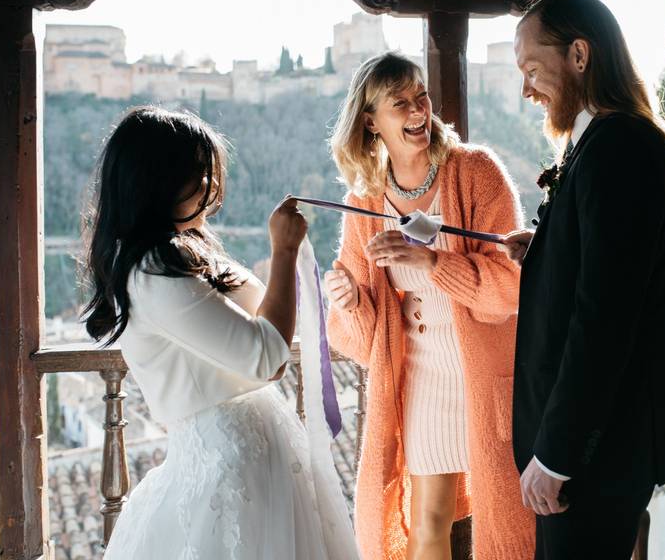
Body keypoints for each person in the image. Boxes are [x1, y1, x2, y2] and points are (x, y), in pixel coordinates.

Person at [84, 107, 358, 559]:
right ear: (158, 180)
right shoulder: (153, 271)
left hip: (251, 457)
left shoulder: (183, 252)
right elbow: (266, 357)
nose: (209, 188)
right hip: (227, 468)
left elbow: (259, 311)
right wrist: (284, 250)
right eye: (198, 174)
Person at [502, 0, 665, 559]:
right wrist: (546, 251)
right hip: (596, 442)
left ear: (578, 54)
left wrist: (557, 455)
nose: (527, 89)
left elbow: (606, 319)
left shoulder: (619, 148)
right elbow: (601, 269)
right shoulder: (601, 142)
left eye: (532, 69)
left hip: (596, 446)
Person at [324, 52, 535, 559]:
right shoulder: (367, 202)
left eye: (421, 96)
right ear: (371, 122)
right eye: (401, 103)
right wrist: (349, 302)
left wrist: (432, 264)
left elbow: (513, 286)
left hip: (484, 374)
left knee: (506, 518)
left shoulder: (476, 171)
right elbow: (356, 335)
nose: (419, 110)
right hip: (421, 378)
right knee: (428, 523)